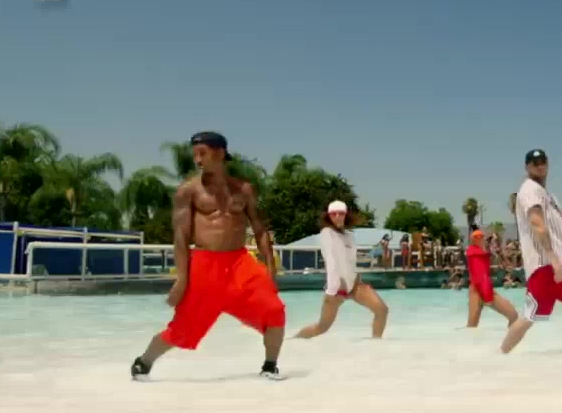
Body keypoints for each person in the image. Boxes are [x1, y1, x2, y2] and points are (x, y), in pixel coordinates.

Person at [130, 132, 287, 380]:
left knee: (275, 310)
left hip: (239, 262)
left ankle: (270, 366)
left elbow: (259, 228)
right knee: (183, 329)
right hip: (204, 264)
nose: (198, 160)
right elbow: (181, 236)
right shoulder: (188, 191)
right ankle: (143, 362)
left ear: (220, 153)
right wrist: (182, 279)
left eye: (202, 153)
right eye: (195, 154)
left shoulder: (244, 189)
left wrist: (270, 265)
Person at [500, 149, 562, 354]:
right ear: (527, 167)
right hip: (546, 265)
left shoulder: (547, 195)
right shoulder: (529, 189)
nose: (540, 165)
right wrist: (553, 259)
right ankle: (501, 355)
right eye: (535, 163)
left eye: (543, 161)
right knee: (529, 316)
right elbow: (537, 224)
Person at [294, 200, 389, 340]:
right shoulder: (327, 233)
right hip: (336, 287)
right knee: (322, 327)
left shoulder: (350, 236)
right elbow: (331, 260)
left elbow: (349, 260)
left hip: (354, 285)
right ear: (328, 216)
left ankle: (376, 343)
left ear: (346, 215)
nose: (337, 216)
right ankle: (295, 340)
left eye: (341, 213)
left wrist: (356, 277)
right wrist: (337, 285)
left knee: (382, 310)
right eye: (333, 214)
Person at [465, 227, 519, 328]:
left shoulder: (482, 253)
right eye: (478, 237)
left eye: (482, 237)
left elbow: (485, 271)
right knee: (471, 326)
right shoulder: (474, 252)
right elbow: (479, 277)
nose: (482, 239)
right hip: (478, 290)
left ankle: (510, 335)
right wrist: (487, 296)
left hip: (482, 288)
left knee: (513, 315)